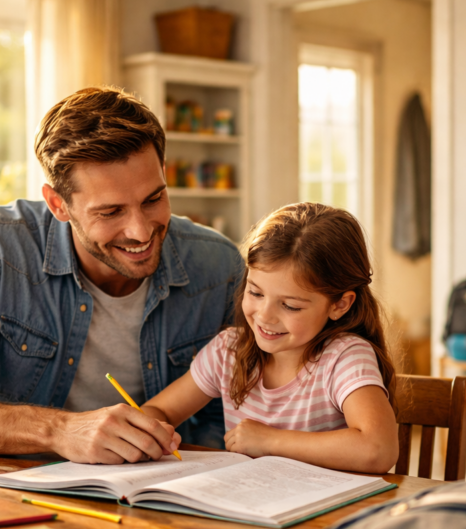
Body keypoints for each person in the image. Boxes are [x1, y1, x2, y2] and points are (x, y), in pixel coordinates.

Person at [0, 87, 244, 462]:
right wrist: (60, 431)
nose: (141, 231)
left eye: (153, 199)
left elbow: (234, 411)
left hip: (168, 491)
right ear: (58, 204)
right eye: (111, 211)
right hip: (16, 487)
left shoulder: (218, 266)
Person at [142, 203, 399, 474]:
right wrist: (150, 428)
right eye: (255, 293)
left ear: (339, 305)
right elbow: (160, 410)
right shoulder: (228, 350)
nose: (265, 316)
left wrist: (269, 440)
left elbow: (378, 449)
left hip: (328, 513)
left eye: (290, 305)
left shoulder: (345, 357)